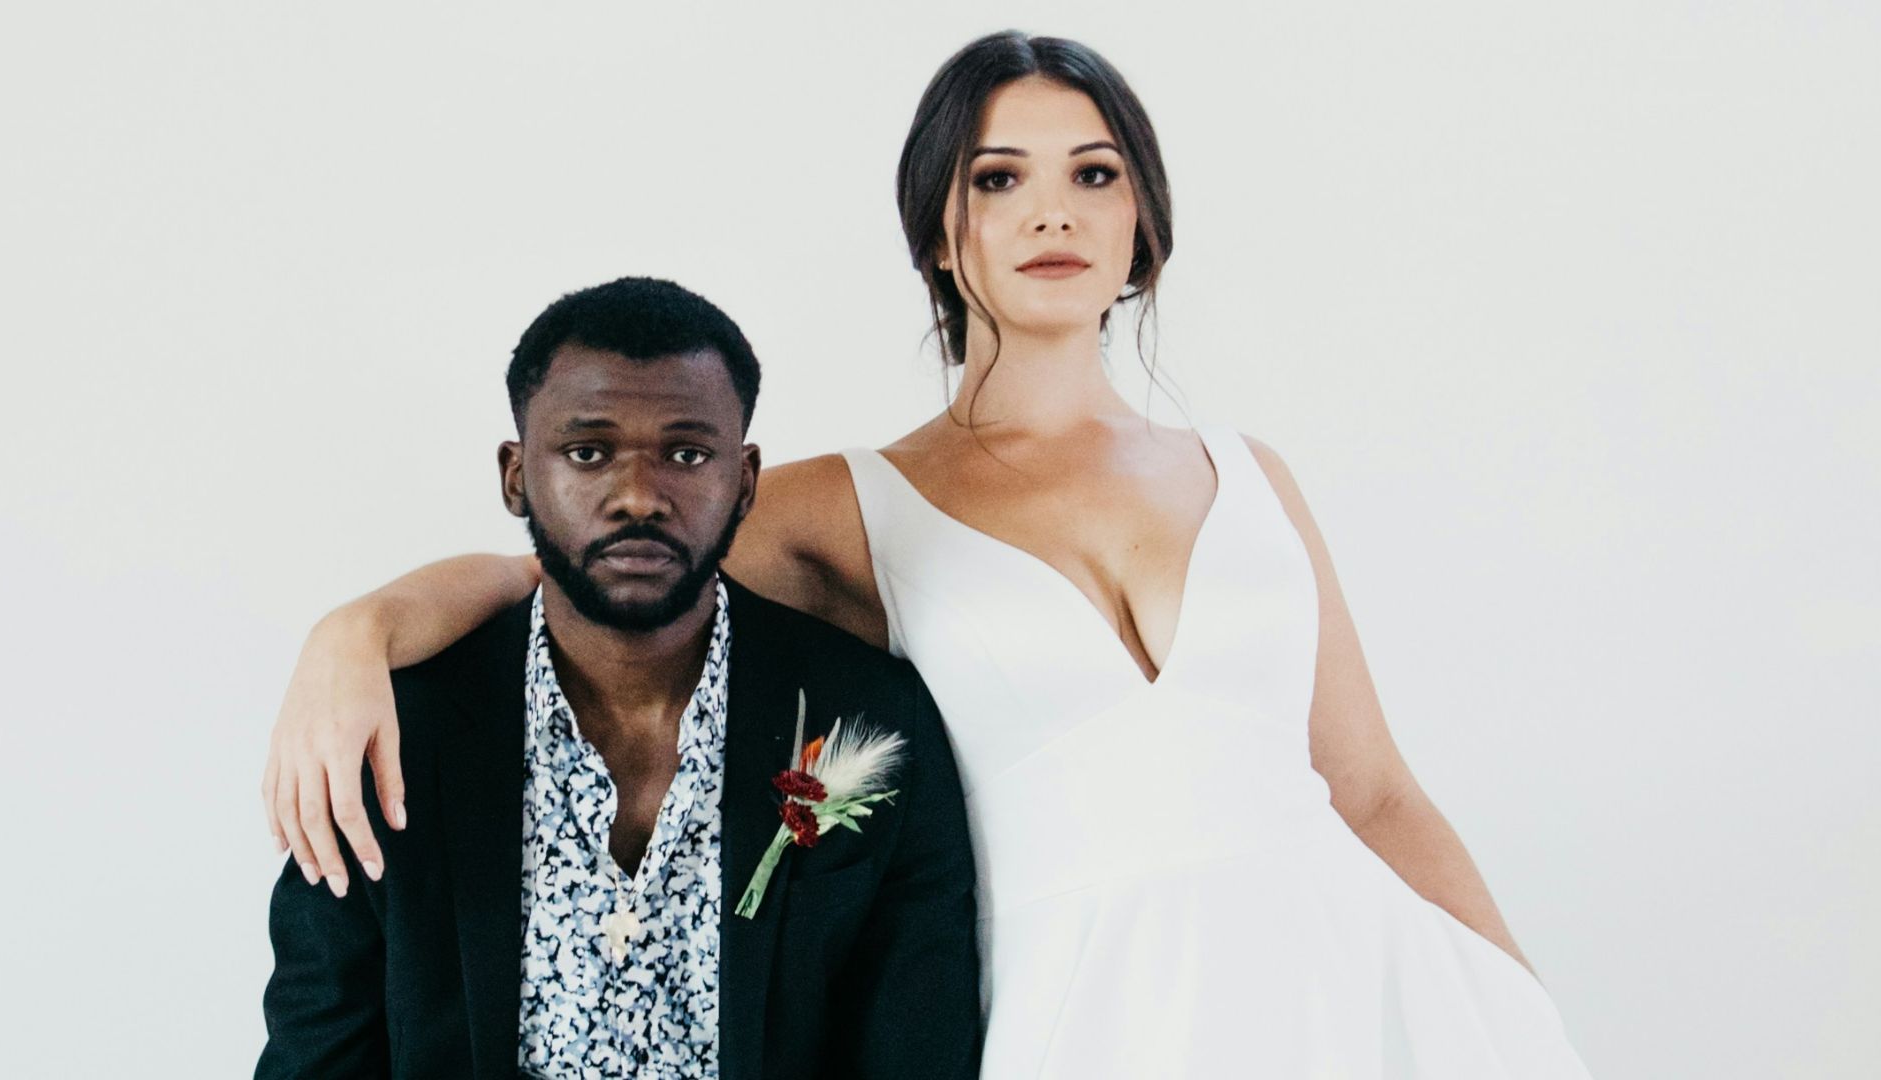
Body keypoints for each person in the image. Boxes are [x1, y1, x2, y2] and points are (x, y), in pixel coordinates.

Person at [263, 32, 1594, 1078]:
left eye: (1094, 173)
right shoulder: (862, 504)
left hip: (1342, 999)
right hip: (1084, 1019)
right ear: (941, 233)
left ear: (1142, 222)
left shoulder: (1254, 479)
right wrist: (358, 631)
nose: (1052, 212)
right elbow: (613, 559)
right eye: (999, 179)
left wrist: (1514, 1005)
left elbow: (1374, 797)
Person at [256, 277, 981, 1079]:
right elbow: (316, 1050)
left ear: (743, 482)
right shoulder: (393, 732)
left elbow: (918, 1046)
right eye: (588, 452)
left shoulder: (872, 719)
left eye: (686, 453)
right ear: (515, 476)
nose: (639, 497)